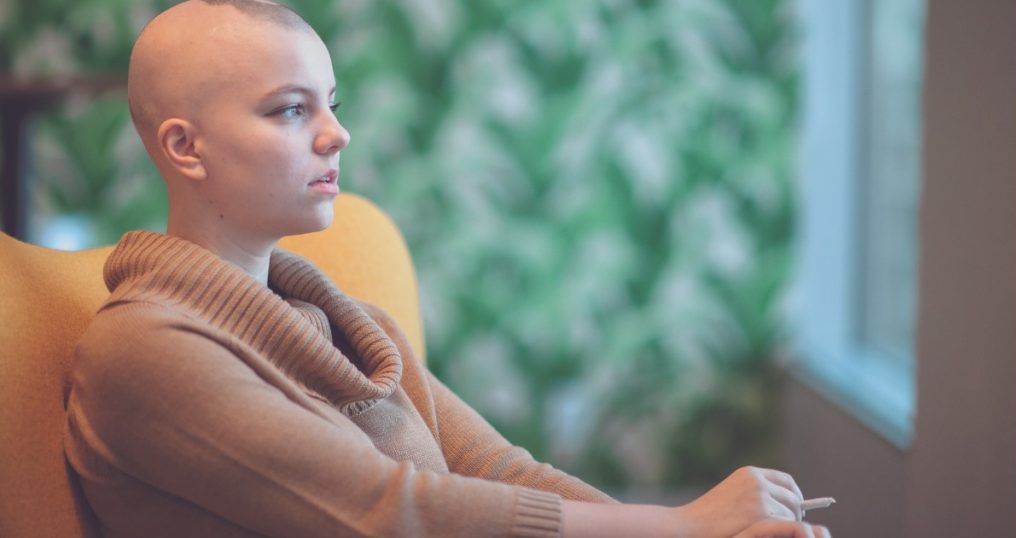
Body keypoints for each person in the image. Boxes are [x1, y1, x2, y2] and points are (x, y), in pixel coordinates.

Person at [62, 1, 831, 537]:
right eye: (291, 109)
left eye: (330, 103)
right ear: (183, 147)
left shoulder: (353, 330)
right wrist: (677, 524)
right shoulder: (144, 353)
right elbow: (391, 515)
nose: (338, 134)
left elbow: (501, 471)